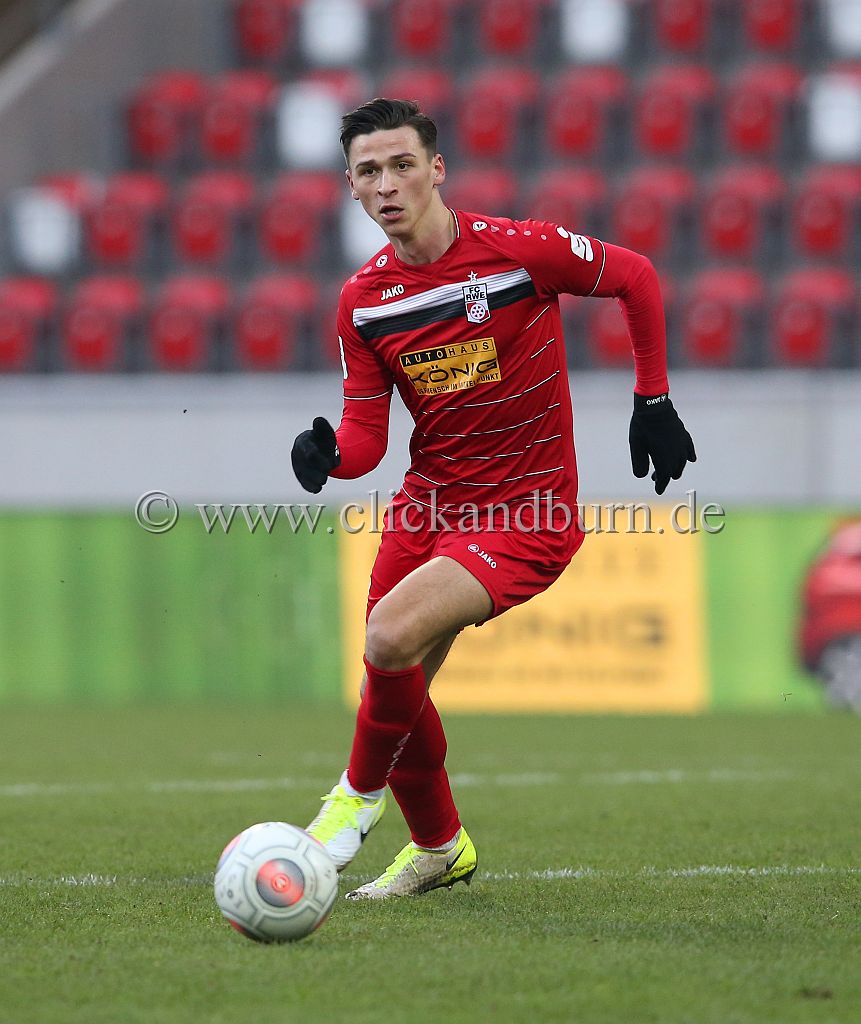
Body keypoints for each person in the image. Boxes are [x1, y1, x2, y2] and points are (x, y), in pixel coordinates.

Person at [291, 99, 695, 900]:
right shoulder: (363, 301)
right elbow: (366, 432)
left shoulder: (517, 252)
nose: (387, 184)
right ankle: (439, 847)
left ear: (436, 169)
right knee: (391, 678)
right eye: (368, 171)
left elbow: (636, 278)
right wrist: (330, 457)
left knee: (389, 636)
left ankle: (351, 802)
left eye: (402, 164)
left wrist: (651, 400)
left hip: (527, 510)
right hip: (427, 507)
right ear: (350, 186)